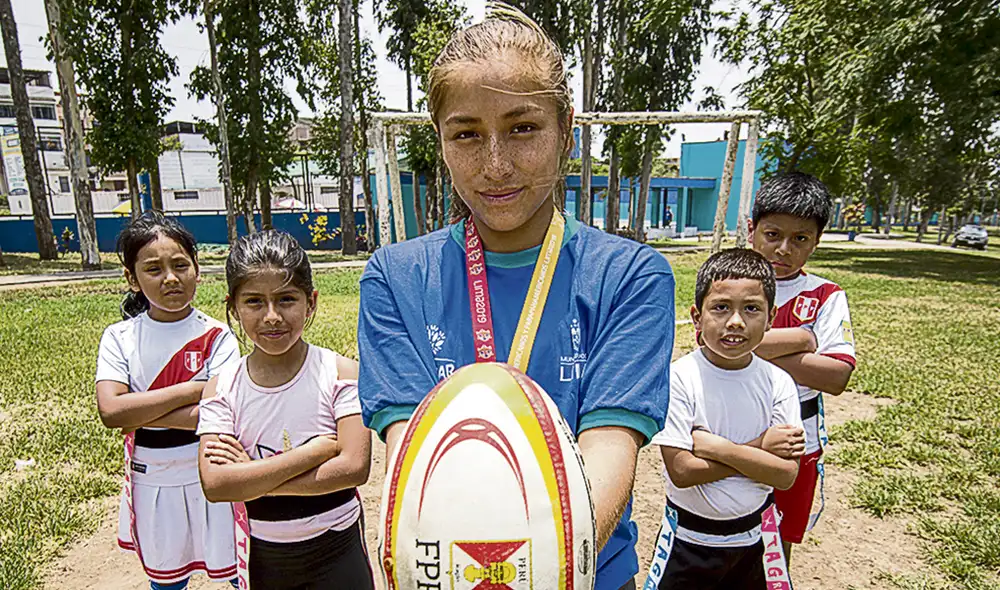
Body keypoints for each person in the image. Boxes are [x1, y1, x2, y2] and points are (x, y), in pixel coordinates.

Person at [357, 5, 675, 589]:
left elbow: (608, 452)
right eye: (467, 135)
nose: (496, 165)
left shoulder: (629, 277)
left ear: (566, 130)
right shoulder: (396, 279)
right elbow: (412, 458)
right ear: (440, 141)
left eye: (523, 128)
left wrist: (545, 571)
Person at [196, 230, 374, 589]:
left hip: (338, 548)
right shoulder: (223, 388)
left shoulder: (339, 373)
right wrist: (315, 452)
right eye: (254, 302)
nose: (272, 316)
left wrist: (252, 479)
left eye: (286, 299)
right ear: (233, 307)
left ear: (311, 302)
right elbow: (216, 484)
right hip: (264, 554)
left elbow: (354, 467)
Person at [95, 210, 240, 589]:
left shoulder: (218, 336)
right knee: (167, 577)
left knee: (239, 569)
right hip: (153, 477)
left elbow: (220, 412)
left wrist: (138, 410)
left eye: (180, 265)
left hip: (212, 466)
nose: (170, 278)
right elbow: (111, 411)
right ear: (132, 278)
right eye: (153, 269)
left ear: (197, 269)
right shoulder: (120, 338)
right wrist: (195, 388)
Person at [649, 249, 804, 589]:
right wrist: (760, 447)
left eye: (751, 309)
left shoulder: (779, 383)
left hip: (756, 539)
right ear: (697, 317)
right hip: (687, 540)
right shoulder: (678, 379)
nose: (735, 321)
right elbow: (683, 472)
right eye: (721, 307)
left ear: (771, 317)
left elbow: (785, 475)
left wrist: (716, 448)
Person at [748, 171, 857, 561]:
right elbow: (710, 344)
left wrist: (752, 347)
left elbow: (837, 375)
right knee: (721, 536)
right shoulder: (730, 281)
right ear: (751, 230)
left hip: (797, 440)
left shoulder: (825, 295)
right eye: (772, 234)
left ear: (817, 240)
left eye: (800, 239)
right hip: (734, 433)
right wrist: (803, 339)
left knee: (778, 550)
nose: (783, 249)